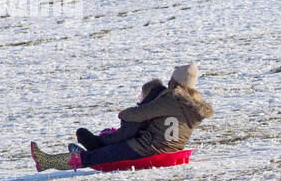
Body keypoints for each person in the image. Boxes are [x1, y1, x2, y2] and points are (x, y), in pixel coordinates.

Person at [30, 62, 214, 172]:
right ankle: (90, 146)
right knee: (97, 152)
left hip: (145, 148)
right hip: (169, 148)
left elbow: (138, 114)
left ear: (174, 81)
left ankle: (47, 162)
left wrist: (123, 113)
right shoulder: (192, 106)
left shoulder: (171, 99)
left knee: (91, 158)